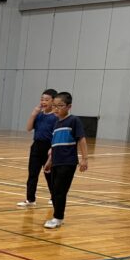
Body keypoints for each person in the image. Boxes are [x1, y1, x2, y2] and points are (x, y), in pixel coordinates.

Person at [43, 91, 88, 230]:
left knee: (60, 190)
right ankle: (58, 215)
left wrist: (84, 159)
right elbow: (54, 145)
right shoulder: (56, 123)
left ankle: (57, 218)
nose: (56, 109)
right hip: (56, 162)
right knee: (55, 190)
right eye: (54, 106)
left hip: (68, 162)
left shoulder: (74, 121)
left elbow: (81, 139)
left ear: (69, 106)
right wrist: (49, 161)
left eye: (60, 106)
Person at [17, 88, 58, 208]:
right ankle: (30, 199)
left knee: (49, 174)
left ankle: (54, 197)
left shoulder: (56, 117)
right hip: (36, 146)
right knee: (32, 174)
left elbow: (56, 134)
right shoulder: (39, 115)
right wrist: (33, 114)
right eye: (42, 99)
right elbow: (29, 128)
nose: (43, 102)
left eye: (46, 99)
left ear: (53, 101)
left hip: (49, 147)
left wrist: (53, 149)